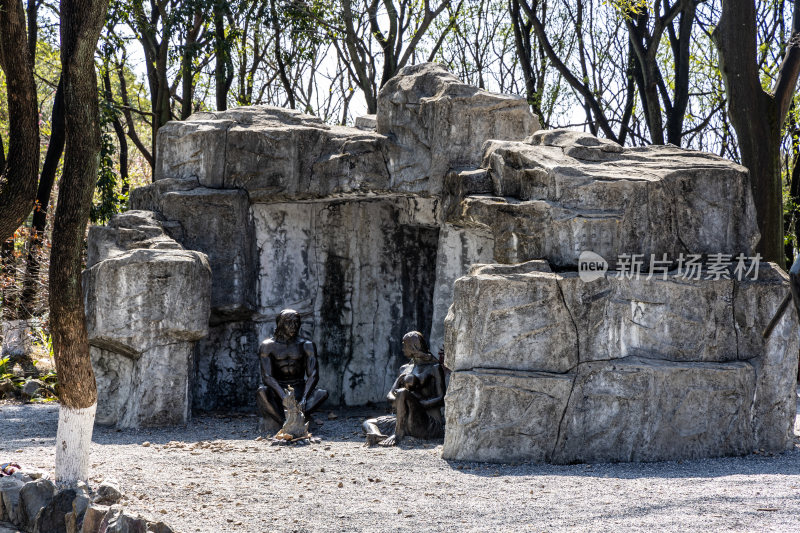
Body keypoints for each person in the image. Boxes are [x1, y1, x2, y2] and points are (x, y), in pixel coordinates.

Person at [363, 331, 446, 446]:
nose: (402, 348)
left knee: (402, 392)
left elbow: (441, 398)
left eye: (404, 345)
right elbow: (390, 395)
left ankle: (398, 434)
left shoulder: (434, 367)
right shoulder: (404, 369)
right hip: (405, 418)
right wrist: (398, 398)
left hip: (427, 422)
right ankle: (376, 435)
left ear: (413, 347)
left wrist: (417, 404)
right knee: (368, 423)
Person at [256, 309, 328, 430]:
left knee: (322, 394)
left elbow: (313, 375)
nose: (293, 326)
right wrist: (284, 397)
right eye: (289, 322)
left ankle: (297, 416)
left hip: (299, 390)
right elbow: (267, 377)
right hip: (278, 392)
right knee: (261, 392)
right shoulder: (267, 346)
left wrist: (304, 398)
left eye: (296, 322)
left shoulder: (307, 344)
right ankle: (283, 423)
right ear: (280, 324)